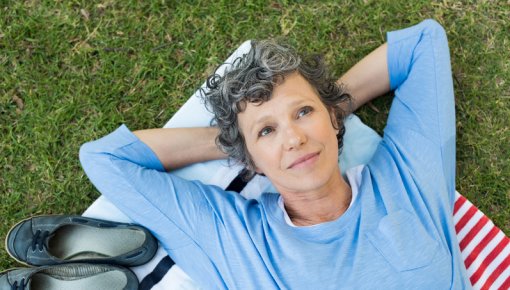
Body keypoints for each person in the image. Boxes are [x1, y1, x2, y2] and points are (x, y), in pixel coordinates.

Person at [80, 19, 472, 289]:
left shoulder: (407, 179)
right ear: (250, 160)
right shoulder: (236, 240)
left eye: (303, 112)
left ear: (333, 119)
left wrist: (330, 103)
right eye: (267, 131)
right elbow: (106, 159)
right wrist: (236, 144)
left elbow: (423, 43)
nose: (294, 138)